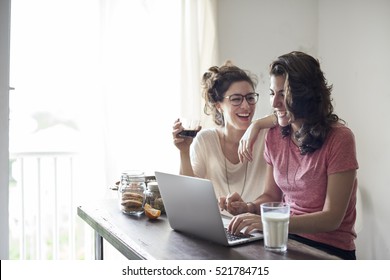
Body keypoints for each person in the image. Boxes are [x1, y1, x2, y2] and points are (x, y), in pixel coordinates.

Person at [223, 51, 359, 260]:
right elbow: (271, 196)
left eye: (283, 94)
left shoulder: (340, 138)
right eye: (271, 93)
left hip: (329, 251)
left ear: (306, 95)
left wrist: (271, 221)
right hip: (285, 240)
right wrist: (248, 207)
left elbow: (332, 218)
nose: (275, 103)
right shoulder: (275, 135)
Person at [172, 61, 276, 205]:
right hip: (216, 224)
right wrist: (184, 151)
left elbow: (290, 115)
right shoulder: (206, 140)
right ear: (218, 105)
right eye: (236, 99)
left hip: (254, 222)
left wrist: (257, 125)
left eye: (250, 98)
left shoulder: (267, 135)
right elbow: (188, 196)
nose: (246, 106)